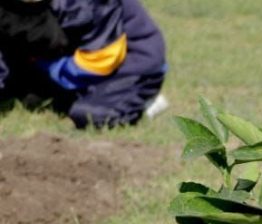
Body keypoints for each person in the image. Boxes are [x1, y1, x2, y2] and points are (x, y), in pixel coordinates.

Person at [0, 0, 167, 128]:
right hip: (62, 51)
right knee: (27, 96)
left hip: (125, 62)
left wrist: (46, 66)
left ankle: (143, 99)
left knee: (90, 115)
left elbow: (102, 60)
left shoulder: (85, 4)